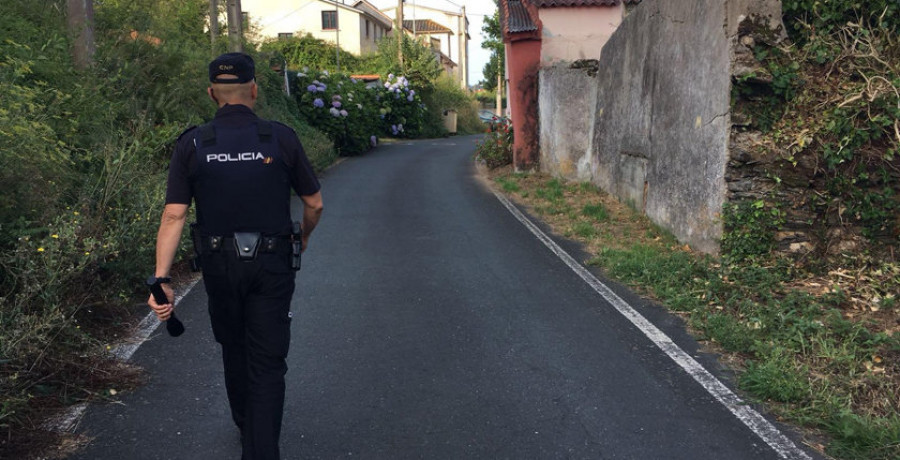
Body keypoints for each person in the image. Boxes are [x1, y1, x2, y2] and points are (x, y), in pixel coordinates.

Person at [147, 52, 324, 460]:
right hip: (272, 261)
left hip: (219, 265)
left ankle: (247, 423)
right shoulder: (280, 138)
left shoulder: (193, 142)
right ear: (255, 90)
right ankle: (260, 445)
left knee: (233, 344)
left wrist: (161, 279)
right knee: (267, 358)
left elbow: (174, 214)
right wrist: (305, 238)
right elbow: (313, 204)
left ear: (212, 94)